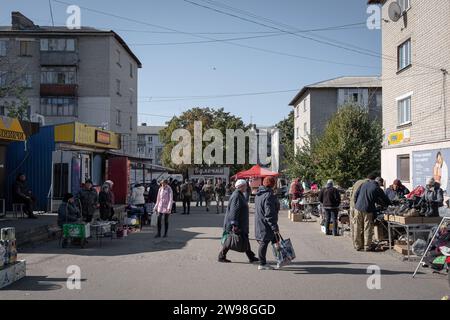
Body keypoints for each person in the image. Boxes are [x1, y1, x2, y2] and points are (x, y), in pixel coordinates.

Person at [219, 179, 259, 264]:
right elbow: (234, 210)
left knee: (244, 238)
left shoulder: (239, 194)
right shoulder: (237, 196)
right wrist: (234, 224)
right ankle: (221, 256)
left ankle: (251, 256)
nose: (246, 187)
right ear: (241, 186)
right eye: (245, 185)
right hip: (237, 223)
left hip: (240, 222)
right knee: (231, 240)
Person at [354, 173, 392, 252]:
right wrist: (390, 204)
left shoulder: (364, 184)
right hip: (368, 210)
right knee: (367, 228)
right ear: (379, 182)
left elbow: (356, 195)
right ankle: (367, 246)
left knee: (357, 227)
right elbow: (384, 199)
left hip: (357, 208)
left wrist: (356, 204)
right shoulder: (377, 188)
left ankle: (357, 245)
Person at [255, 176, 280, 270]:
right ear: (272, 184)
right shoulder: (268, 195)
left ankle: (280, 259)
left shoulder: (259, 194)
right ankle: (262, 263)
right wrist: (274, 226)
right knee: (264, 242)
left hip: (261, 221)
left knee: (275, 240)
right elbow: (269, 213)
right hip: (267, 224)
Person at [349, 178, 369, 249]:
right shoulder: (366, 184)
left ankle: (355, 244)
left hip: (352, 205)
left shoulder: (357, 182)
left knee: (354, 225)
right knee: (361, 226)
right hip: (357, 206)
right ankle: (361, 243)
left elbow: (352, 194)